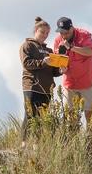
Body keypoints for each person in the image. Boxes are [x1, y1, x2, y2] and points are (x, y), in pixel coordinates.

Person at [19, 17, 62, 145]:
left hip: (46, 88)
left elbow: (53, 72)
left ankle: (36, 145)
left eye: (47, 33)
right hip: (31, 86)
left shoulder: (49, 51)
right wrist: (42, 62)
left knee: (42, 117)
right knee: (30, 115)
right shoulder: (27, 45)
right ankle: (23, 144)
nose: (45, 35)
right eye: (42, 32)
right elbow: (27, 63)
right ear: (36, 30)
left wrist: (61, 70)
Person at [52, 17, 92, 130]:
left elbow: (91, 51)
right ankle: (72, 145)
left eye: (66, 32)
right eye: (61, 32)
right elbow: (59, 65)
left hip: (87, 82)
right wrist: (61, 68)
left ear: (72, 28)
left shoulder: (84, 35)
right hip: (70, 84)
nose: (64, 35)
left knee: (90, 116)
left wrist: (72, 47)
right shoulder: (58, 41)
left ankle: (90, 147)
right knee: (70, 116)